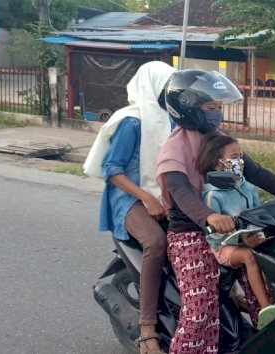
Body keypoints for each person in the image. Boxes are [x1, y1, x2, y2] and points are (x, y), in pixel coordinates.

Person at [155, 69, 275, 354]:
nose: (217, 114)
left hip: (232, 229)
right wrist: (208, 216)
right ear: (188, 109)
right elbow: (181, 191)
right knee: (199, 310)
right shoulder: (173, 149)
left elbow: (256, 172)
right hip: (190, 234)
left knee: (269, 279)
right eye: (211, 108)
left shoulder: (220, 140)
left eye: (219, 108)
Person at [83, 61, 175, 354]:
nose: (171, 94)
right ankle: (147, 328)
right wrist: (147, 198)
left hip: (165, 195)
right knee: (156, 242)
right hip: (130, 198)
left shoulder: (172, 120)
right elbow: (112, 170)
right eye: (167, 88)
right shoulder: (131, 121)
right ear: (153, 88)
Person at [198, 134, 275, 330]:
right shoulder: (212, 195)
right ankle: (266, 307)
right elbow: (214, 236)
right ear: (218, 164)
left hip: (246, 239)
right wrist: (241, 238)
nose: (239, 162)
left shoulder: (246, 186)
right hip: (223, 247)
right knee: (249, 257)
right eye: (234, 158)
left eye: (241, 157)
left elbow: (257, 214)